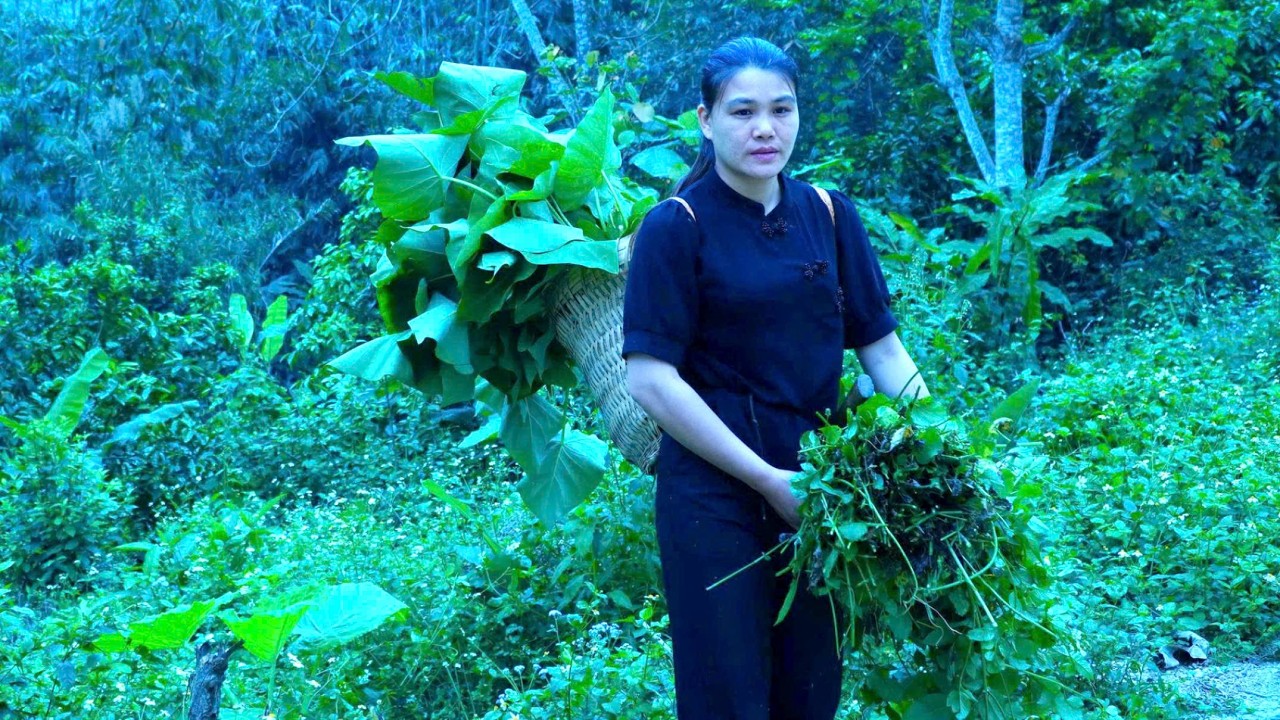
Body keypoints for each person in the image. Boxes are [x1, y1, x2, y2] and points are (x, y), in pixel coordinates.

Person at [620, 36, 930, 720]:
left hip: (821, 488)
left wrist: (936, 449)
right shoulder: (677, 226)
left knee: (811, 690)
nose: (764, 128)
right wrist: (765, 479)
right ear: (705, 119)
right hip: (714, 496)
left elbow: (884, 356)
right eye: (742, 112)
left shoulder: (828, 214)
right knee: (727, 697)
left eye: (781, 110)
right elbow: (651, 380)